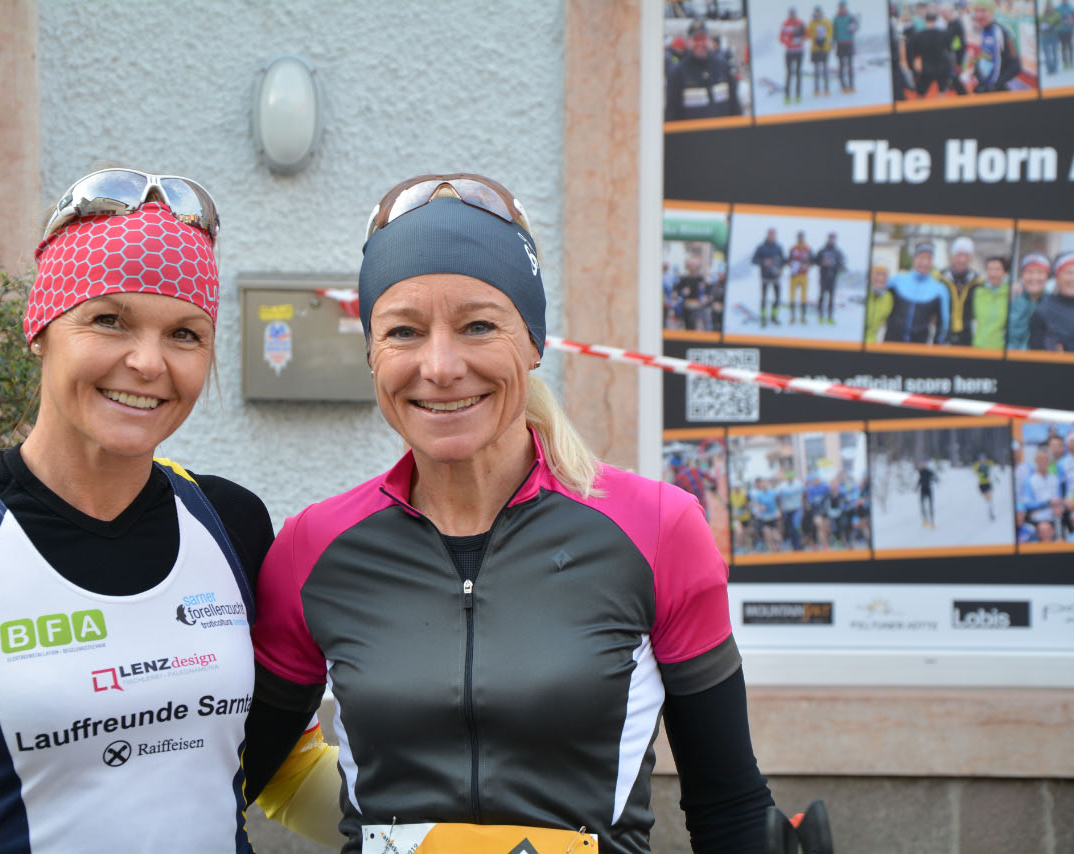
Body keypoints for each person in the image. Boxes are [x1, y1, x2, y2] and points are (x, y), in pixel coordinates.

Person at [0, 170, 336, 853]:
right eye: (109, 320)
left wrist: (442, 825)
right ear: (40, 328)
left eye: (185, 333)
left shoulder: (233, 523)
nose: (149, 362)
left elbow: (287, 772)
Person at [251, 173, 776, 853]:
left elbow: (729, 805)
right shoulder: (311, 548)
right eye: (404, 331)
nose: (441, 366)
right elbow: (226, 777)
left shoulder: (656, 530)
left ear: (533, 342)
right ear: (373, 354)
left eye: (478, 326)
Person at [665, 19, 743, 121]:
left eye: (703, 39)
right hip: (691, 131)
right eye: (696, 40)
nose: (700, 43)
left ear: (708, 40)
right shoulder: (678, 72)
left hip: (723, 130)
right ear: (688, 42)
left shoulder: (723, 66)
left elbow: (734, 105)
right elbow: (671, 111)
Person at [883, 242, 950, 344]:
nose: (925, 262)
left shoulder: (940, 290)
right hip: (891, 345)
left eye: (929, 258)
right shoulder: (896, 281)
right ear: (914, 259)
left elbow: (943, 324)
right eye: (921, 257)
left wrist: (937, 346)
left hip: (919, 347)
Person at [936, 235, 983, 346]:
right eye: (959, 255)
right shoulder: (939, 278)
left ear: (971, 258)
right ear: (952, 256)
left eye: (966, 255)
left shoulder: (978, 281)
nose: (962, 259)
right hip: (943, 334)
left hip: (968, 336)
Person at [971, 0, 1022, 93]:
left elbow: (1016, 66)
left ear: (992, 12)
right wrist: (976, 68)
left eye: (983, 10)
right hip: (985, 89)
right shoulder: (984, 31)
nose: (978, 15)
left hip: (999, 92)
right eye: (976, 11)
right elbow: (989, 56)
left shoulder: (1001, 32)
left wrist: (994, 86)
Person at [1030, 250, 1074, 351]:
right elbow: (1035, 352)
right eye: (1069, 272)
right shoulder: (1042, 310)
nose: (1073, 278)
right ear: (1057, 278)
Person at [905, 8, 954, 96]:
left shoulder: (917, 36)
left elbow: (911, 53)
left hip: (926, 68)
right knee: (942, 92)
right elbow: (950, 49)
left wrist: (912, 68)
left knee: (920, 94)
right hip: (942, 67)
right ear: (936, 20)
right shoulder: (944, 34)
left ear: (925, 20)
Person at [1008, 252, 1051, 350]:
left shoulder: (1053, 302)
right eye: (1029, 272)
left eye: (1040, 272)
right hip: (1012, 356)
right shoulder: (1012, 298)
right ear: (1022, 275)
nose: (1034, 277)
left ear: (1047, 276)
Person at [970, 255, 1009, 348]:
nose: (993, 273)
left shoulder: (1011, 293)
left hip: (1001, 350)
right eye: (990, 269)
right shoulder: (978, 292)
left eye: (997, 269)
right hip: (978, 349)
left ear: (1005, 272)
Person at [754, 227, 787, 326]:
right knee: (764, 298)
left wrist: (780, 269)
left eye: (773, 234)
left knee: (777, 298)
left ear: (775, 235)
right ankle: (763, 318)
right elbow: (754, 260)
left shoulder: (778, 247)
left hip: (776, 277)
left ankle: (774, 317)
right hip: (765, 277)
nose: (771, 236)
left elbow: (784, 261)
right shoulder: (761, 247)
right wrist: (763, 262)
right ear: (767, 235)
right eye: (770, 234)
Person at [814, 231, 846, 324]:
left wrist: (837, 266)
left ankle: (830, 317)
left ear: (835, 240)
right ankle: (820, 316)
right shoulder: (822, 250)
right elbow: (815, 261)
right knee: (821, 296)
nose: (831, 240)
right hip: (823, 277)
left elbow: (841, 264)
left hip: (833, 277)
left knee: (831, 298)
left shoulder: (837, 252)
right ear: (827, 239)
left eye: (833, 238)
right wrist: (822, 263)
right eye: (830, 238)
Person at [674, 254, 708, 329]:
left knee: (696, 325)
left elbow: (706, 291)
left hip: (697, 306)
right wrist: (682, 292)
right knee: (687, 325)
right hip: (687, 305)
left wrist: (705, 297)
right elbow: (677, 291)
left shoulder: (700, 278)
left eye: (694, 265)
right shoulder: (684, 278)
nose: (693, 267)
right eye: (691, 265)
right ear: (688, 267)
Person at [781, 6, 808, 102]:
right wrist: (789, 42)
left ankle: (798, 95)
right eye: (791, 13)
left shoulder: (800, 23)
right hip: (789, 52)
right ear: (789, 14)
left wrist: (801, 39)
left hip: (799, 51)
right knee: (789, 73)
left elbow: (806, 35)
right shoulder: (785, 24)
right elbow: (781, 38)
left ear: (796, 13)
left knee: (798, 73)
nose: (792, 14)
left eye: (793, 13)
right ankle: (787, 96)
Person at [787, 231, 813, 325]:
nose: (800, 239)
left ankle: (803, 317)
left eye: (802, 237)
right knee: (792, 296)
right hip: (794, 275)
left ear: (804, 238)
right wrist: (790, 264)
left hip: (803, 275)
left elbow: (812, 261)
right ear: (797, 238)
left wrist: (808, 265)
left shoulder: (808, 249)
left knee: (804, 296)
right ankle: (792, 316)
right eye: (799, 237)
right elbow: (788, 260)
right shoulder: (793, 248)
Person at [833, 1, 860, 92]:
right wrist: (833, 42)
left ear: (845, 7)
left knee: (850, 66)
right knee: (841, 66)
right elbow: (834, 32)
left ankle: (851, 85)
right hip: (840, 44)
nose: (842, 9)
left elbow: (856, 28)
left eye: (843, 7)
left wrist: (854, 26)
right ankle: (843, 86)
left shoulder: (850, 17)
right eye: (841, 7)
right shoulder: (836, 18)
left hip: (849, 43)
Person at [807, 6, 834, 95]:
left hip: (825, 48)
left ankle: (826, 88)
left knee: (825, 69)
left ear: (821, 13)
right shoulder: (811, 23)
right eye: (816, 13)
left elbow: (830, 33)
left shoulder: (826, 22)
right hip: (815, 49)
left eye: (819, 13)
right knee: (816, 70)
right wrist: (815, 38)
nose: (817, 14)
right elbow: (809, 34)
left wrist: (824, 39)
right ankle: (816, 89)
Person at [865, 264, 894, 342]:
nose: (881, 278)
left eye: (884, 275)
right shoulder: (861, 293)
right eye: (877, 273)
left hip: (872, 343)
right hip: (852, 342)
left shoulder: (888, 297)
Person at [916, 457, 939, 528]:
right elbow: (920, 480)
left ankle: (932, 522)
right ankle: (925, 521)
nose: (923, 464)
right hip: (922, 490)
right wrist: (916, 487)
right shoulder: (920, 471)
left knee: (930, 506)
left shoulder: (929, 471)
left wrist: (933, 479)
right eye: (922, 463)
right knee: (922, 506)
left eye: (924, 463)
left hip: (929, 490)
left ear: (926, 464)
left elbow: (936, 478)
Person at [974, 452, 996, 520]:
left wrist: (987, 463)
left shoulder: (988, 463)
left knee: (990, 498)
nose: (983, 460)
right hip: (982, 484)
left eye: (984, 458)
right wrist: (980, 467)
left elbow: (992, 464)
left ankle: (991, 512)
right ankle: (990, 509)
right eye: (981, 459)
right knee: (987, 499)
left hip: (988, 483)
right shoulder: (977, 465)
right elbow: (974, 469)